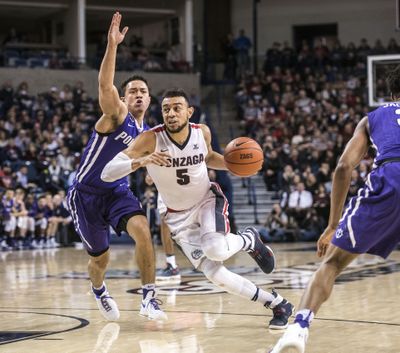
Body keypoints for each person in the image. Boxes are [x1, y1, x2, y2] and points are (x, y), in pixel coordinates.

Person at [101, 88, 294, 329]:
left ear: (189, 112)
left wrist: (232, 166)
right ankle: (278, 303)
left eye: (177, 108)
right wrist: (141, 161)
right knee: (215, 275)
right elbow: (107, 173)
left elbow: (209, 156)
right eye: (166, 109)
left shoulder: (201, 132)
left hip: (206, 200)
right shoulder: (150, 139)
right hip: (177, 218)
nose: (171, 113)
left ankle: (248, 239)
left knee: (215, 249)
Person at [269, 66, 400, 352]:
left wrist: (331, 225)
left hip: (390, 180)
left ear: (391, 94)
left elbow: (343, 166)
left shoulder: (373, 118)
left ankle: (298, 328)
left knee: (332, 263)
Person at [66, 12, 166, 322]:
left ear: (149, 100)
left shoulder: (148, 136)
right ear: (124, 98)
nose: (138, 94)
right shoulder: (116, 116)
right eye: (132, 90)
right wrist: (112, 46)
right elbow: (105, 84)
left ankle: (149, 297)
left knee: (143, 233)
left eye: (143, 91)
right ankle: (99, 290)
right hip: (86, 195)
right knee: (101, 259)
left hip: (118, 193)